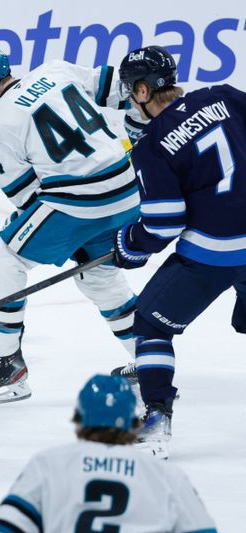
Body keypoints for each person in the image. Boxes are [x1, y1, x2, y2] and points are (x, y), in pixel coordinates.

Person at [0, 43, 141, 406]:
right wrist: (142, 128)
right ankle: (150, 357)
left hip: (82, 201)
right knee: (98, 275)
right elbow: (126, 88)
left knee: (1, 259)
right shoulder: (54, 71)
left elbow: (27, 199)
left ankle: (7, 365)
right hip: (129, 190)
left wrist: (18, 227)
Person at [111, 45, 246, 459]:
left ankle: (156, 416)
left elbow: (164, 223)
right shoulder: (223, 96)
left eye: (131, 92)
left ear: (142, 89)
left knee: (151, 325)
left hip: (213, 253)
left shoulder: (151, 145)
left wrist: (129, 245)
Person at [0, 374, 217, 532]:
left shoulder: (49, 465)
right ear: (133, 423)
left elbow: (3, 527)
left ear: (79, 418)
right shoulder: (166, 476)